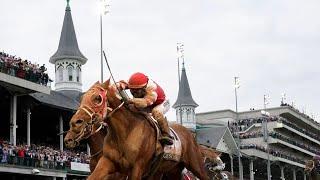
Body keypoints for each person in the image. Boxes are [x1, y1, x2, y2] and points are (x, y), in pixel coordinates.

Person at [117, 72, 173, 145]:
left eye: (136, 91)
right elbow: (120, 84)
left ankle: (166, 134)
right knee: (131, 108)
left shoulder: (152, 89)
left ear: (144, 88)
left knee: (156, 112)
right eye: (132, 90)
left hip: (161, 103)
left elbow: (145, 103)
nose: (133, 93)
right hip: (147, 104)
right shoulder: (134, 83)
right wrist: (118, 86)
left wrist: (130, 100)